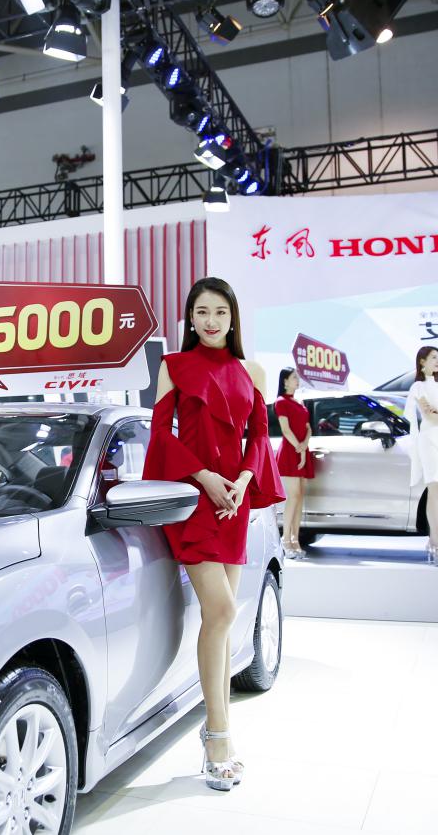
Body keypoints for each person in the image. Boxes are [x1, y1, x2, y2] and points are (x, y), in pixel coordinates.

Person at [143, 277, 285, 791]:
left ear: (232, 318)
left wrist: (244, 481)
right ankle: (217, 736)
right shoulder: (173, 366)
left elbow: (259, 436)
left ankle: (218, 726)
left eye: (220, 312)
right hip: (195, 498)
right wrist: (204, 477)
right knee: (222, 611)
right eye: (201, 311)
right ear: (190, 318)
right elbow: (160, 435)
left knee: (220, 622)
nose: (210, 321)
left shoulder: (253, 371)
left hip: (235, 504)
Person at [404, 346, 438, 567]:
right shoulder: (418, 387)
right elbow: (429, 415)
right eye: (434, 358)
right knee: (435, 488)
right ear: (422, 361)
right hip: (430, 439)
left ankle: (433, 540)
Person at [275, 368, 314, 557]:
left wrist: (304, 446)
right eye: (294, 378)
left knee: (299, 498)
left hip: (302, 451)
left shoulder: (300, 402)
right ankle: (285, 540)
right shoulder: (281, 402)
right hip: (290, 452)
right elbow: (285, 429)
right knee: (293, 496)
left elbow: (308, 428)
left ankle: (295, 539)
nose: (297, 380)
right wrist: (299, 448)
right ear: (285, 381)